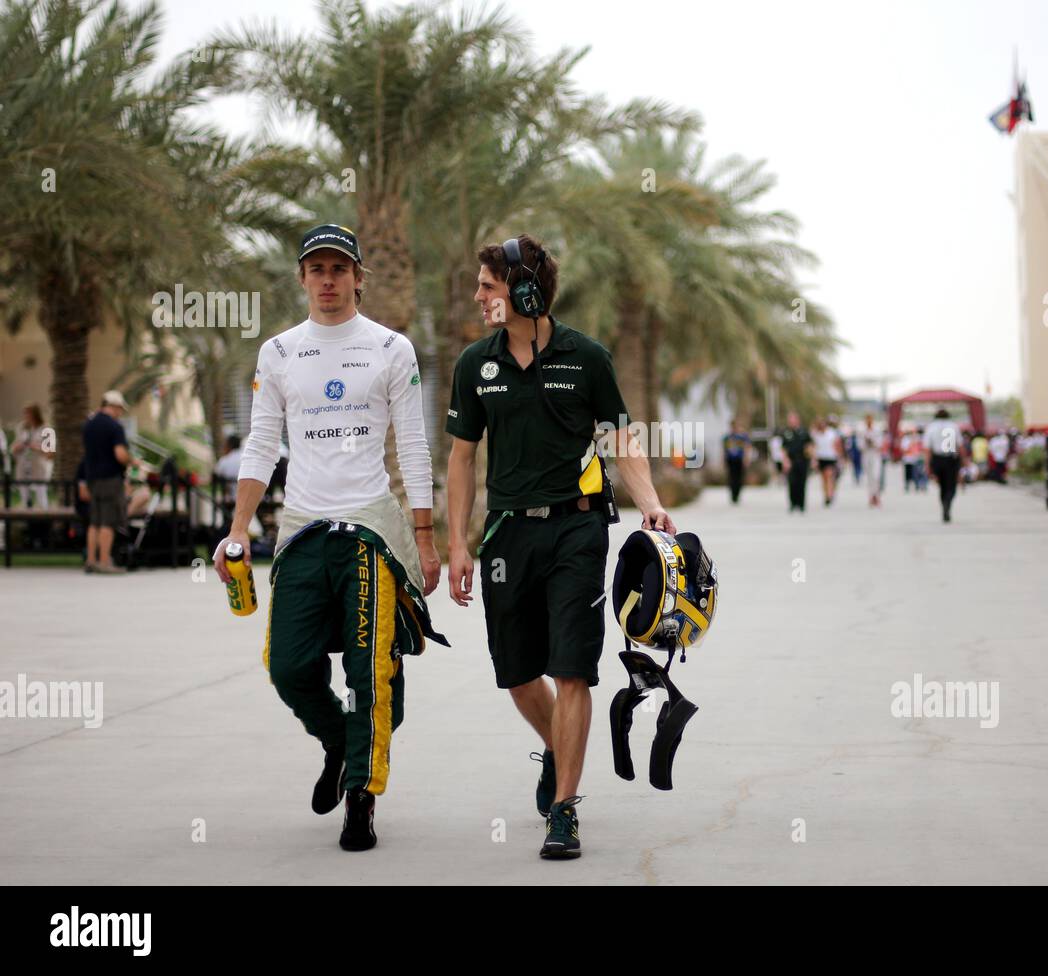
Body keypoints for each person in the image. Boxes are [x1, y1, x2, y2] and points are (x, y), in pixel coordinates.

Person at [213, 223, 446, 853]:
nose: (327, 279)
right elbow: (262, 443)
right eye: (316, 268)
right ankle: (340, 744)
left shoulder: (391, 348)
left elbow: (414, 446)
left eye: (339, 268)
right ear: (301, 278)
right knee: (287, 666)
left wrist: (425, 540)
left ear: (358, 278)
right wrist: (237, 530)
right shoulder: (280, 353)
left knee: (372, 673)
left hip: (369, 527)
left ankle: (361, 799)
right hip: (302, 529)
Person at [444, 234, 676, 860]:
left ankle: (565, 808)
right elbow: (462, 460)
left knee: (571, 667)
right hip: (507, 534)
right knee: (518, 674)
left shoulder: (587, 358)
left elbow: (621, 440)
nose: (479, 297)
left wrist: (649, 501)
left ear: (524, 291)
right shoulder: (475, 365)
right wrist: (457, 544)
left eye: (488, 287)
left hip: (579, 529)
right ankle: (558, 746)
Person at [82, 391, 134, 574]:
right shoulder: (114, 426)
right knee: (108, 522)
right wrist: (131, 461)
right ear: (115, 407)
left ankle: (90, 560)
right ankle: (104, 562)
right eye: (120, 409)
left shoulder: (88, 424)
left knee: (94, 522)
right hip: (111, 478)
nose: (120, 413)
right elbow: (119, 454)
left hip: (92, 479)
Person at [924, 408, 966, 523]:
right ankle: (947, 504)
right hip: (951, 459)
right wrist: (964, 461)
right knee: (951, 485)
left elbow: (927, 448)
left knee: (942, 486)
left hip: (937, 459)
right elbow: (960, 446)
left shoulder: (931, 427)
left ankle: (944, 505)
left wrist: (927, 464)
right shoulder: (953, 426)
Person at [13, 403, 55, 509]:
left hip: (39, 467)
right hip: (24, 466)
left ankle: (43, 519)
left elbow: (51, 453)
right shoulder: (22, 428)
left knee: (41, 494)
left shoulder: (47, 429)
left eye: (28, 414)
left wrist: (37, 447)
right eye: (25, 414)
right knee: (24, 494)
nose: (26, 417)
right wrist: (18, 447)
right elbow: (14, 447)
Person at [779, 411, 813, 512]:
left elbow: (809, 445)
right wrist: (785, 461)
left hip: (802, 460)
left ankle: (801, 504)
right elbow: (783, 448)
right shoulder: (786, 432)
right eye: (790, 420)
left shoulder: (804, 431)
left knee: (802, 483)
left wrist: (811, 458)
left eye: (793, 419)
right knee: (792, 483)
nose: (791, 422)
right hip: (791, 460)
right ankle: (793, 503)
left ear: (798, 420)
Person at [811, 418, 842, 506]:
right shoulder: (816, 434)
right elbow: (814, 446)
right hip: (821, 457)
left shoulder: (831, 433)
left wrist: (839, 456)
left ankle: (830, 495)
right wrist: (814, 459)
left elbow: (837, 444)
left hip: (830, 457)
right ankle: (826, 495)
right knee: (823, 478)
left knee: (829, 476)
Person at [722, 419, 752, 504]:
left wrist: (746, 459)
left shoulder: (742, 437)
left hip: (739, 460)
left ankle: (737, 494)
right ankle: (733, 495)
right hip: (730, 460)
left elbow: (747, 447)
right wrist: (723, 461)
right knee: (731, 478)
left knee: (739, 478)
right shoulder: (727, 438)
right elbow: (724, 450)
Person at [861, 414, 884, 507]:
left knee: (876, 476)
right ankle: (871, 496)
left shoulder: (877, 430)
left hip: (875, 455)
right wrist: (866, 443)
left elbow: (880, 445)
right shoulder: (862, 431)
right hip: (866, 455)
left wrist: (873, 442)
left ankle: (876, 495)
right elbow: (860, 446)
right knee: (869, 477)